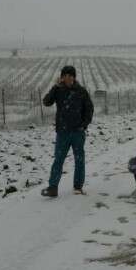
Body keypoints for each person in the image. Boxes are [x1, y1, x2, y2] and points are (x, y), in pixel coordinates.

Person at [41, 66, 94, 197]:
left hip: (77, 132)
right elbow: (46, 102)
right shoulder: (58, 90)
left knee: (79, 160)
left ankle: (78, 187)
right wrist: (55, 87)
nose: (68, 78)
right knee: (58, 160)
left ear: (74, 77)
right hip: (62, 133)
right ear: (62, 77)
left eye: (71, 75)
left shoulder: (81, 91)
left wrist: (84, 125)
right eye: (65, 75)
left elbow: (89, 109)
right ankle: (53, 188)